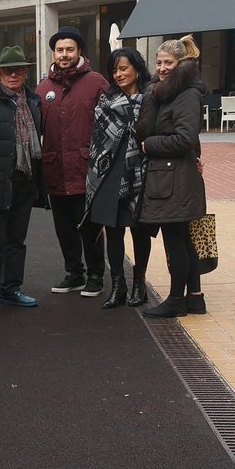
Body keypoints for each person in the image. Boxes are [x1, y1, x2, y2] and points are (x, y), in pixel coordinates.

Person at [35, 25, 110, 298]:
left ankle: (96, 275)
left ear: (79, 51)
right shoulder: (43, 88)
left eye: (69, 49)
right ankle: (73, 273)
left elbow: (110, 125)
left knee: (89, 227)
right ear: (53, 53)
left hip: (86, 170)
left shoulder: (96, 82)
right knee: (64, 227)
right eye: (59, 50)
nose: (64, 55)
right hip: (55, 170)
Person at [136, 35, 208, 318]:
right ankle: (195, 297)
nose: (163, 68)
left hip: (174, 177)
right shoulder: (163, 91)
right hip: (169, 175)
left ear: (181, 64)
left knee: (175, 240)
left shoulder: (186, 93)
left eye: (168, 63)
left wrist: (149, 144)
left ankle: (177, 299)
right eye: (159, 62)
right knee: (182, 239)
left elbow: (186, 138)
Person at [0, 45, 47, 316]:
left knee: (17, 238)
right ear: (0, 73)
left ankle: (11, 289)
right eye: (7, 70)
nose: (13, 74)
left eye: (18, 69)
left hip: (25, 179)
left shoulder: (33, 101)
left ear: (26, 73)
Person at [84, 48, 153, 310]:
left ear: (136, 68)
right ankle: (118, 287)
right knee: (113, 232)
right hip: (109, 173)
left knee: (139, 230)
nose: (119, 74)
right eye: (114, 70)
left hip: (139, 172)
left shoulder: (150, 99)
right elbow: (97, 139)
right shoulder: (106, 101)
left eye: (123, 68)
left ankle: (139, 283)